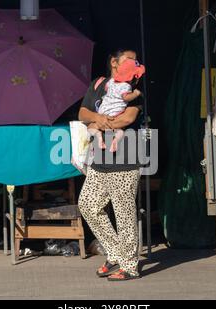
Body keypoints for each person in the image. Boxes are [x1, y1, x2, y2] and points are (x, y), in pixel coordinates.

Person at [78, 49, 144, 281]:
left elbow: (128, 118)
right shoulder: (99, 83)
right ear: (114, 62)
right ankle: (115, 253)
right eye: (129, 58)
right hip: (99, 161)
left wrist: (102, 123)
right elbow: (83, 112)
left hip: (125, 160)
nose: (134, 62)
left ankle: (130, 265)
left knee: (124, 214)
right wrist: (98, 119)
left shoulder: (135, 85)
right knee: (87, 205)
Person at [87, 59, 145, 152]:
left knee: (90, 128)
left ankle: (98, 136)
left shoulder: (112, 81)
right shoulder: (127, 86)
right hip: (115, 112)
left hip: (103, 110)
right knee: (120, 131)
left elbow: (106, 88)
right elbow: (126, 98)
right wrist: (135, 94)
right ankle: (116, 141)